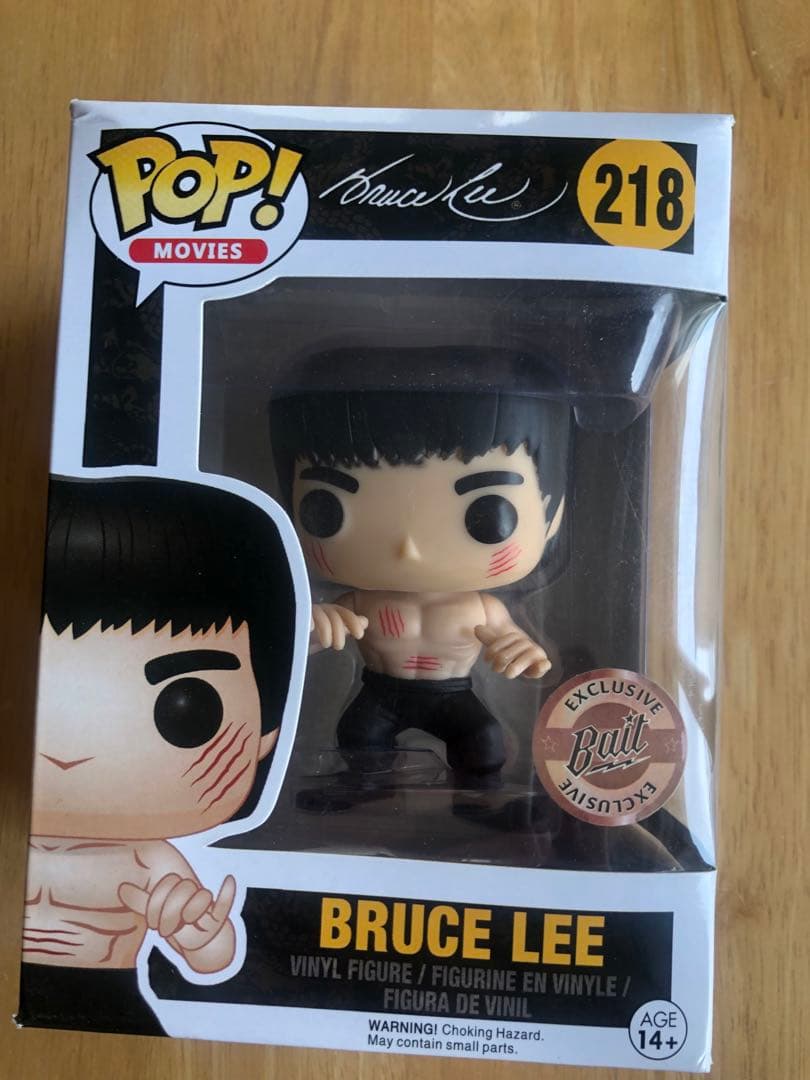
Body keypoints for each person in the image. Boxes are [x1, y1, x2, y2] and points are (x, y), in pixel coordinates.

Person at [19, 476, 295, 1035]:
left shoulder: (149, 863)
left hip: (105, 999)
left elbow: (214, 961)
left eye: (186, 708)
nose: (71, 752)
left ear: (267, 730)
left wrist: (198, 932)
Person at [270, 346, 569, 787]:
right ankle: (366, 788)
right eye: (326, 509)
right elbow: (300, 647)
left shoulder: (484, 608)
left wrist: (527, 656)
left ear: (552, 518)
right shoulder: (356, 602)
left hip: (453, 695)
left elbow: (517, 647)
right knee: (358, 737)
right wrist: (314, 627)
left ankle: (479, 797)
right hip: (380, 691)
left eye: (486, 514)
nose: (407, 548)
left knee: (485, 740)